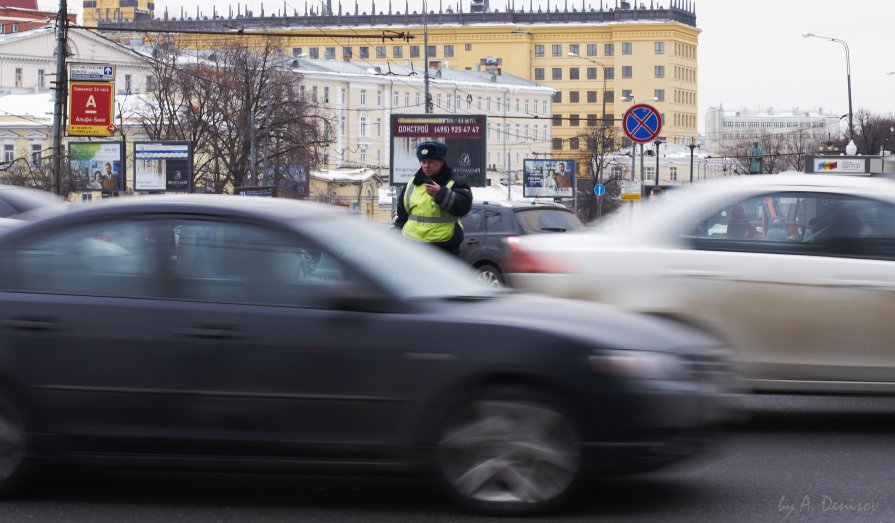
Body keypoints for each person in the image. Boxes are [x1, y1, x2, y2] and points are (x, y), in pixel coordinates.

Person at [394, 141, 472, 255]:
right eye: (423, 162)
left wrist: (441, 194)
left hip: (443, 248)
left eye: (430, 162)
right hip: (412, 247)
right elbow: (402, 216)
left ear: (441, 162)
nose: (426, 166)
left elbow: (464, 206)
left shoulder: (455, 182)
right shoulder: (412, 183)